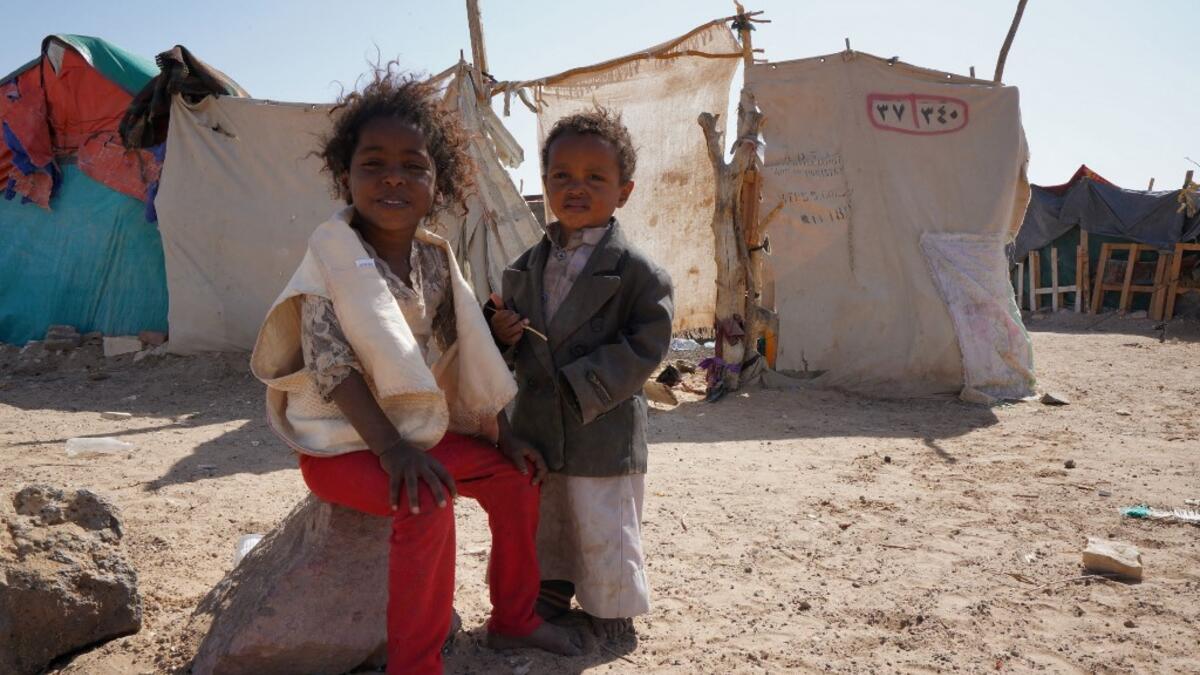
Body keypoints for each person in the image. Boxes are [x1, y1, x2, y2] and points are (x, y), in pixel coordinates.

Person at [250, 65, 581, 674]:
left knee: (516, 478)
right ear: (344, 175)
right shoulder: (332, 255)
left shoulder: (435, 258)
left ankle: (513, 620)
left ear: (439, 181)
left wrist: (501, 434)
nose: (393, 177)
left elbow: (464, 356)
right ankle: (416, 665)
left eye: (414, 165)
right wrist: (392, 453)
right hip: (343, 447)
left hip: (415, 435)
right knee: (427, 505)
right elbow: (332, 369)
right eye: (372, 163)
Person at [488, 108, 674, 640]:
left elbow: (647, 344)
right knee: (547, 520)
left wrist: (580, 383)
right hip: (539, 428)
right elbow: (498, 344)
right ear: (544, 185)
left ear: (625, 191)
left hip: (602, 431)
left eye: (596, 177)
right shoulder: (520, 269)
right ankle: (547, 596)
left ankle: (609, 614)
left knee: (601, 523)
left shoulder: (641, 274)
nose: (577, 187)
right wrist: (501, 332)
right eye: (562, 176)